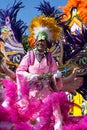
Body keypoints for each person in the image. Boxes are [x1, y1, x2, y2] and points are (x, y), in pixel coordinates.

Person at [15, 15, 84, 130]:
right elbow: (19, 71)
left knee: (54, 109)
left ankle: (57, 125)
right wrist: (32, 76)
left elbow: (55, 72)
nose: (41, 43)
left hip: (47, 91)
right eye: (39, 41)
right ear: (35, 42)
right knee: (34, 120)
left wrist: (56, 76)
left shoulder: (49, 58)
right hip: (33, 94)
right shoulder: (29, 56)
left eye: (44, 42)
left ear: (47, 44)